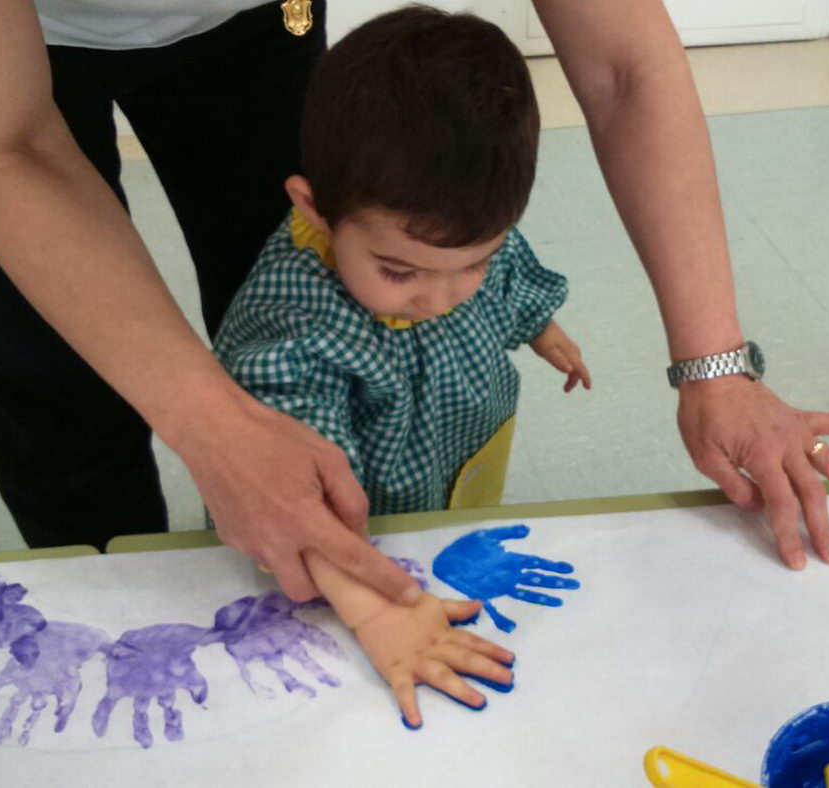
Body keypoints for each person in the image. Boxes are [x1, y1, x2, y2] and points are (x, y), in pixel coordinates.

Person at [0, 0, 829, 605]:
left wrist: (713, 362)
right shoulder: (289, 336)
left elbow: (621, 62)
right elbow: (8, 146)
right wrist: (215, 421)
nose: (439, 296)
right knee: (52, 375)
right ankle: (110, 598)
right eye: (406, 276)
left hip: (244, 22)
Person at [216, 7, 589, 517]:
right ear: (315, 208)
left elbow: (508, 270)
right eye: (398, 271)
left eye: (474, 264)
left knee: (457, 511)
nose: (440, 300)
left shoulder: (462, 233)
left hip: (457, 445)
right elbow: (298, 464)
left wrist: (540, 325)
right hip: (362, 516)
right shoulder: (295, 325)